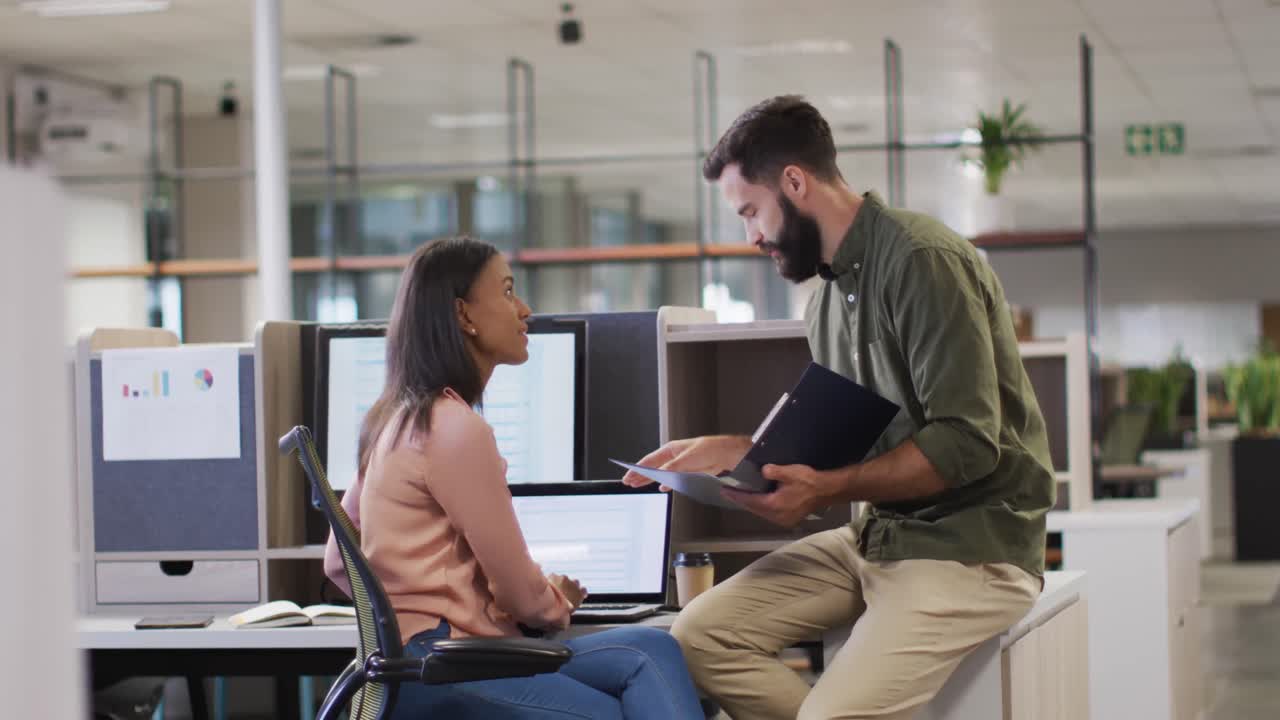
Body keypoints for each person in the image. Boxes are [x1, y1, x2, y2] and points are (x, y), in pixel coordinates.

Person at [623, 96, 1055, 720]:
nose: (750, 236)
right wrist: (741, 454)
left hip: (970, 547)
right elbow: (846, 442)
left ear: (795, 182)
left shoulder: (923, 261)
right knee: (696, 638)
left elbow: (964, 443)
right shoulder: (825, 302)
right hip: (880, 537)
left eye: (751, 211)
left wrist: (825, 490)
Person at [324, 236, 704, 720]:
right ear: (464, 315)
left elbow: (339, 564)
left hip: (419, 662)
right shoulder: (455, 428)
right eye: (506, 292)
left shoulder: (392, 421)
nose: (523, 309)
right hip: (448, 666)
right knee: (615, 709)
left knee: (652, 651)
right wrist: (554, 599)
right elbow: (524, 599)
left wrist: (418, 602)